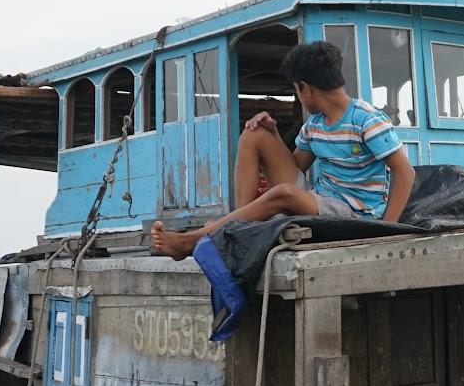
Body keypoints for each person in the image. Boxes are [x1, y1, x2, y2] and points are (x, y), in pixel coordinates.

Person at [151, 41, 416, 260]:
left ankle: (191, 240)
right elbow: (295, 167)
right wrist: (273, 133)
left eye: (296, 90)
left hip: (355, 213)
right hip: (321, 198)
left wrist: (387, 230)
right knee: (254, 133)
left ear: (305, 88)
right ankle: (238, 229)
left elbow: (405, 173)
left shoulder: (367, 119)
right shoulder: (316, 124)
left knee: (283, 194)